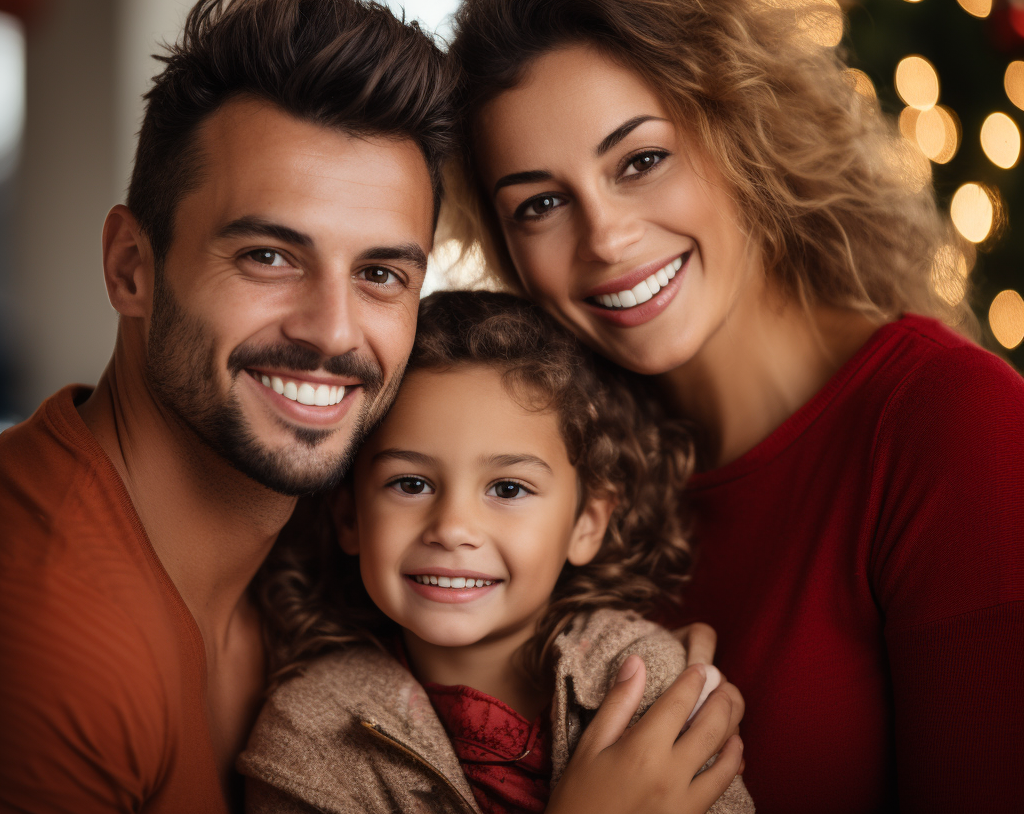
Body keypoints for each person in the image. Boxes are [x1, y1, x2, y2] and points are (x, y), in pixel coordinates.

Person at [0, 0, 743, 814]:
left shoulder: (303, 577)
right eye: (269, 257)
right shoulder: (48, 641)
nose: (332, 331)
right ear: (131, 267)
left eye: (381, 274)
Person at [445, 0, 1024, 814]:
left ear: (741, 133)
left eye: (641, 160)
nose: (605, 239)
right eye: (542, 204)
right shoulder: (556, 474)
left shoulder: (955, 426)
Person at [240, 289, 751, 814]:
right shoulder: (307, 736)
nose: (454, 528)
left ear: (586, 524)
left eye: (508, 489)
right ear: (349, 517)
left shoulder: (646, 678)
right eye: (411, 484)